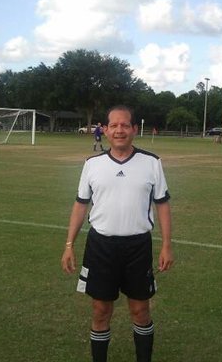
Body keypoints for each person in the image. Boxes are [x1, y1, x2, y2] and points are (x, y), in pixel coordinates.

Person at [61, 105, 174, 362]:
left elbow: (163, 204)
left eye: (125, 125)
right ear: (105, 129)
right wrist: (69, 245)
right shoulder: (92, 164)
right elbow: (80, 204)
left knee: (140, 310)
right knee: (100, 311)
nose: (119, 130)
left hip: (138, 247)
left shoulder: (152, 163)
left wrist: (167, 245)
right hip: (101, 248)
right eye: (114, 125)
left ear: (134, 129)